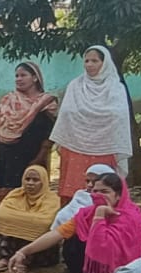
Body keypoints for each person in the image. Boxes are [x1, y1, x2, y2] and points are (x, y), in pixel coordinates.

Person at [7, 170, 141, 273]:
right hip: (103, 269)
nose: (98, 196)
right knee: (72, 242)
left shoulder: (130, 217)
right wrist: (23, 252)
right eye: (95, 191)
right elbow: (57, 234)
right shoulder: (87, 214)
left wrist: (99, 217)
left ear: (118, 195)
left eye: (105, 191)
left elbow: (106, 248)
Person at [49, 45, 132, 206]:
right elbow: (66, 114)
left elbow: (118, 116)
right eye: (86, 61)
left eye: (95, 60)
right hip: (74, 147)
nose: (89, 64)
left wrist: (97, 121)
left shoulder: (116, 88)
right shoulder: (75, 86)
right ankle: (69, 228)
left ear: (105, 63)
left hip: (105, 148)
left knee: (102, 194)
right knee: (71, 194)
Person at [0, 62, 58, 198]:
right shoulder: (9, 100)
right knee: (7, 198)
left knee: (32, 195)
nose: (18, 79)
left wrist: (39, 158)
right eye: (16, 76)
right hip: (6, 156)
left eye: (23, 75)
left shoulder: (46, 103)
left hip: (34, 157)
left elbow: (50, 136)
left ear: (35, 78)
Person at [0, 164, 58, 268]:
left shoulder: (52, 199)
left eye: (35, 180)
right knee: (8, 230)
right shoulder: (16, 194)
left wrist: (17, 219)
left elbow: (45, 222)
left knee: (32, 232)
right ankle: (5, 258)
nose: (30, 183)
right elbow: (1, 215)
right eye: (27, 179)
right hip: (13, 241)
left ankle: (22, 261)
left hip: (39, 249)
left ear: (44, 182)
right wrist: (30, 220)